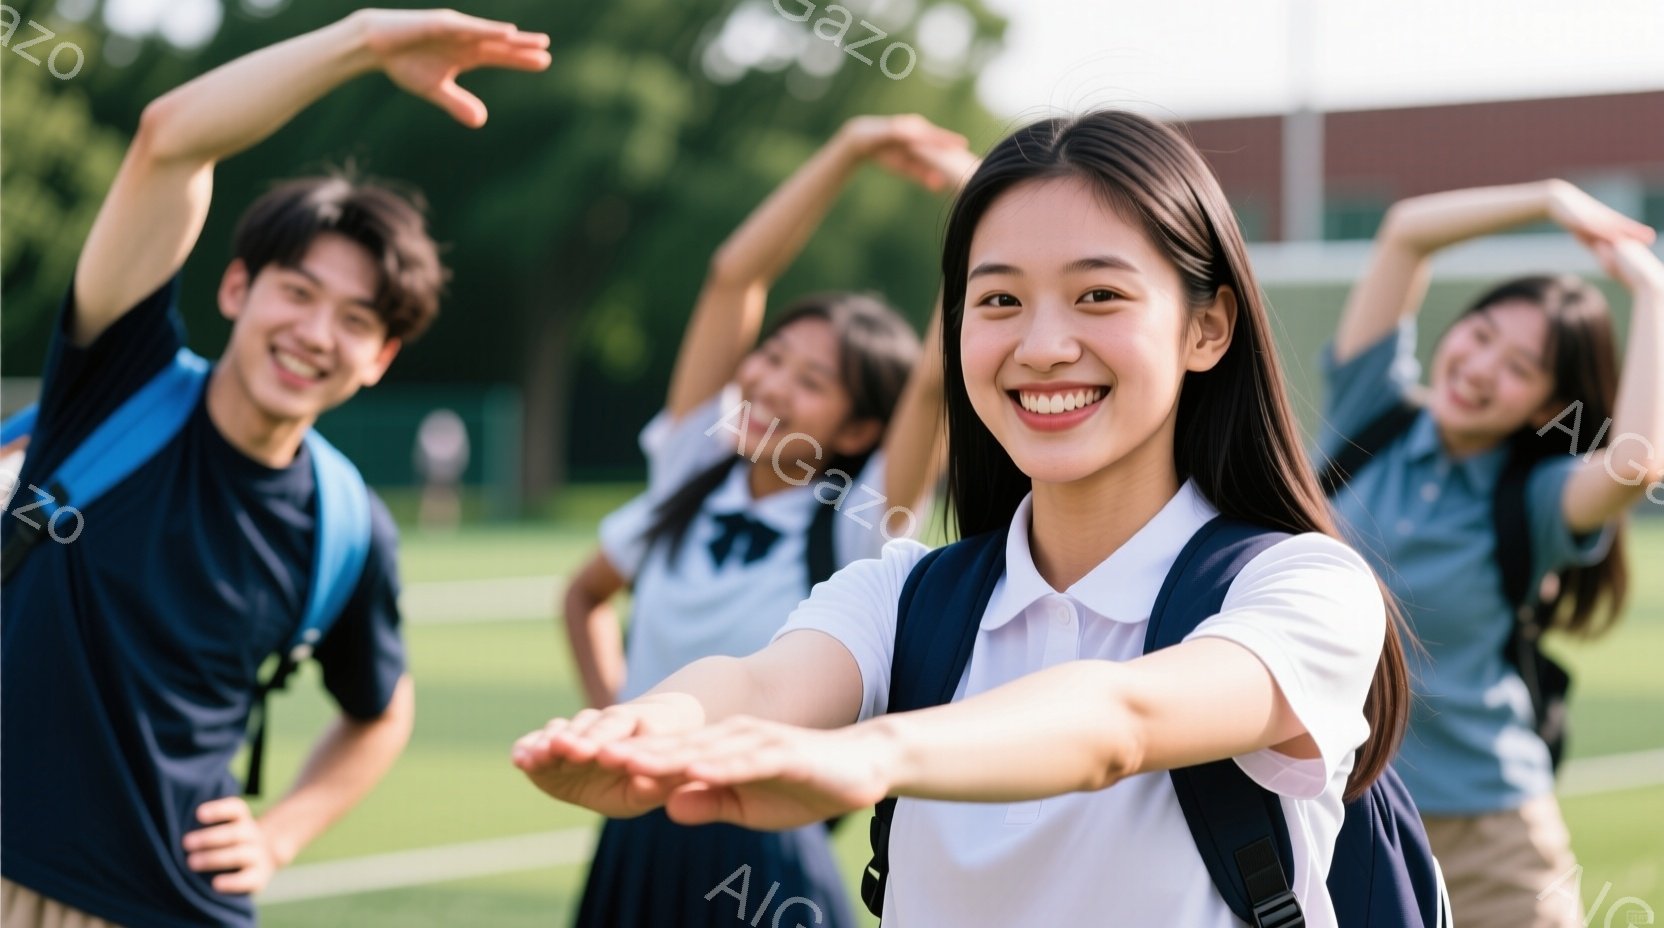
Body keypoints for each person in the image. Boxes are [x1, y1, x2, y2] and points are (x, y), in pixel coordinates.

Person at [513, 109, 1410, 927]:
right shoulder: (903, 593)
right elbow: (759, 686)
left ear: (1207, 329)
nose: (1043, 344)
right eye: (999, 300)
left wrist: (877, 753)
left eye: (1099, 295)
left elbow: (1119, 722)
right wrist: (659, 723)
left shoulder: (1304, 586)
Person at [0, 11, 550, 927]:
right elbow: (169, 140)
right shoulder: (117, 385)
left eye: (356, 320)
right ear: (235, 289)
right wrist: (366, 40)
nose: (314, 335)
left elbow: (381, 712)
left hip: (170, 905)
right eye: (297, 292)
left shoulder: (345, 522)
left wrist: (283, 832)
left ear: (380, 358)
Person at [552, 114, 967, 928]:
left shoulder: (855, 527)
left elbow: (931, 379)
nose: (771, 385)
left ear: (855, 432)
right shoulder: (688, 468)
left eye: (810, 381)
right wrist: (848, 147)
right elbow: (731, 277)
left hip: (762, 847)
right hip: (635, 828)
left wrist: (986, 199)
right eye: (770, 357)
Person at [1317, 181, 1662, 928]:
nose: (1479, 369)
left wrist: (1652, 289)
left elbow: (1635, 463)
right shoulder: (1368, 411)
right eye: (1480, 336)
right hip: (1335, 808)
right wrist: (1547, 199)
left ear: (1546, 406)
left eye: (1519, 367)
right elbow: (1407, 228)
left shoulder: (1532, 499)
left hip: (1487, 831)